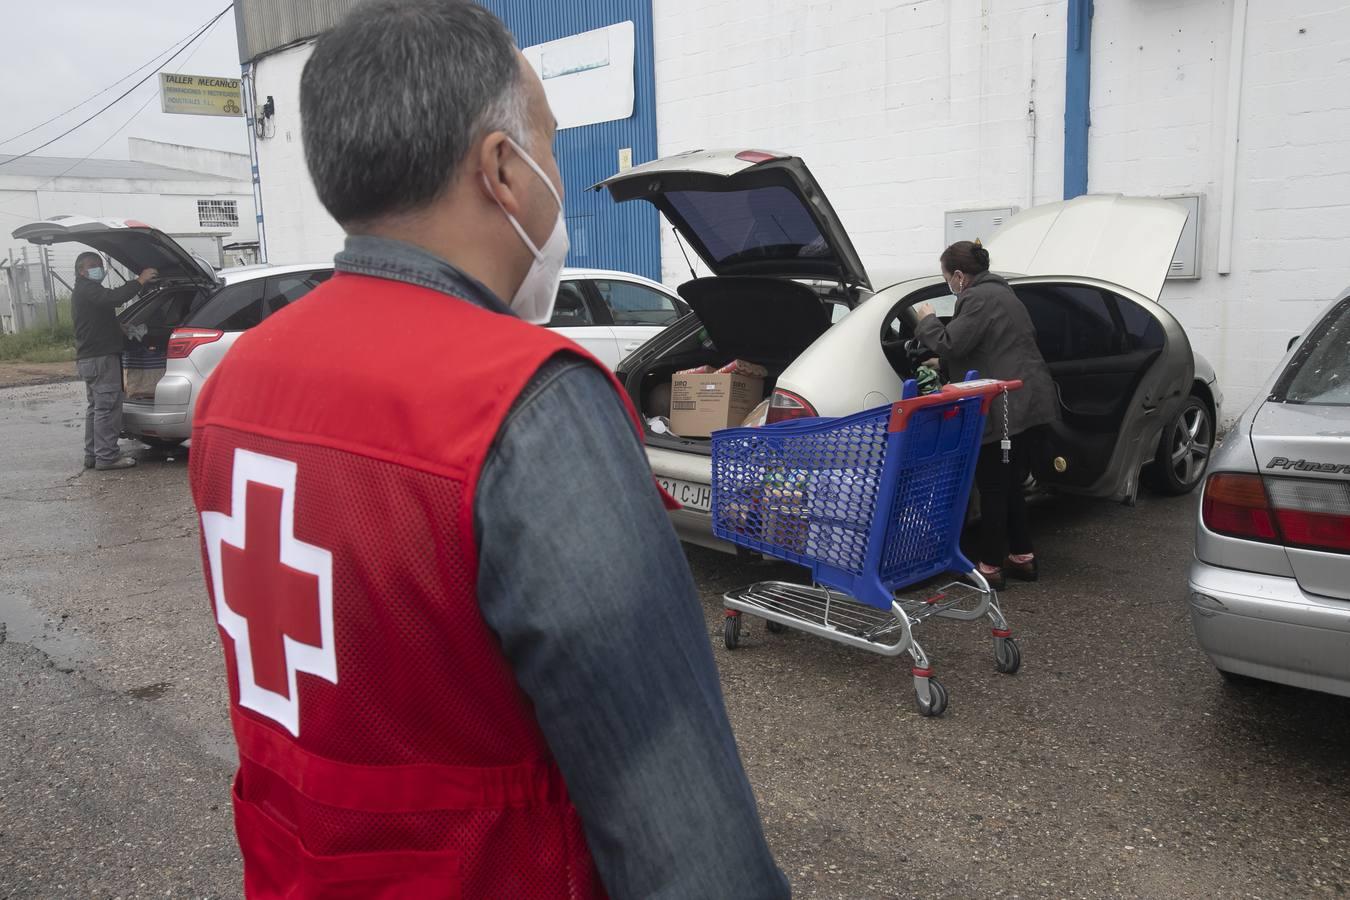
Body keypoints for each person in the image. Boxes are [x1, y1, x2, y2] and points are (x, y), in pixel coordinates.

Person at [186, 2, 789, 898]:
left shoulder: (237, 379)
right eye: (549, 146)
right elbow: (679, 823)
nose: (555, 173)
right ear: (503, 170)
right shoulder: (529, 401)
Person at [914, 239, 1057, 590]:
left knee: (993, 487)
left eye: (947, 277)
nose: (949, 284)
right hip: (1027, 399)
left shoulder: (975, 298)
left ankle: (990, 567)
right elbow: (992, 345)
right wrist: (944, 364)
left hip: (1002, 407)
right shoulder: (1005, 294)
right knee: (1010, 486)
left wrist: (928, 321)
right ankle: (1022, 557)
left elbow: (951, 343)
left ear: (960, 276)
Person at [71, 251, 156, 470]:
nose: (98, 268)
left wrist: (120, 329)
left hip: (91, 359)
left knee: (97, 408)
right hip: (100, 359)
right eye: (92, 265)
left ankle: (94, 455)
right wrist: (140, 280)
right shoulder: (88, 289)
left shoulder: (86, 291)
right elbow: (114, 298)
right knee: (107, 408)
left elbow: (99, 316)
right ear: (81, 270)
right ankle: (107, 457)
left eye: (100, 264)